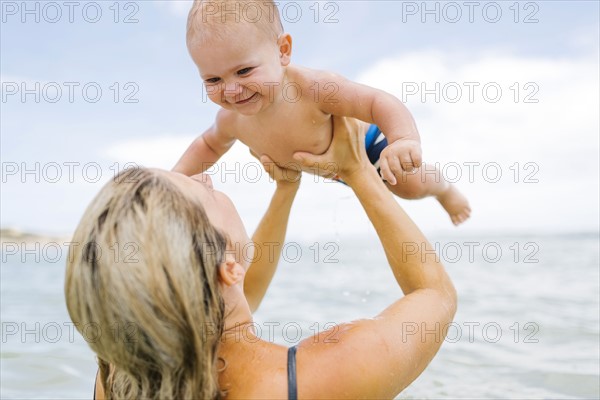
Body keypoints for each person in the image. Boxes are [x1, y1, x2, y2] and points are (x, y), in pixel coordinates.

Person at [65, 115, 457, 399]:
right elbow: (435, 295)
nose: (206, 177)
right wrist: (357, 170)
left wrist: (285, 191)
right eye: (201, 193)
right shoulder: (327, 374)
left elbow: (219, 305)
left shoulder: (119, 380)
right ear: (227, 269)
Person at [173, 0, 471, 225]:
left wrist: (403, 139)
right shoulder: (231, 119)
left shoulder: (315, 88)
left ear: (282, 51)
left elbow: (377, 102)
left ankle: (443, 189)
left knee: (409, 185)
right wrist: (175, 179)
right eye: (213, 80)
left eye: (244, 70)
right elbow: (209, 145)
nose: (232, 90)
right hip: (331, 168)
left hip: (365, 144)